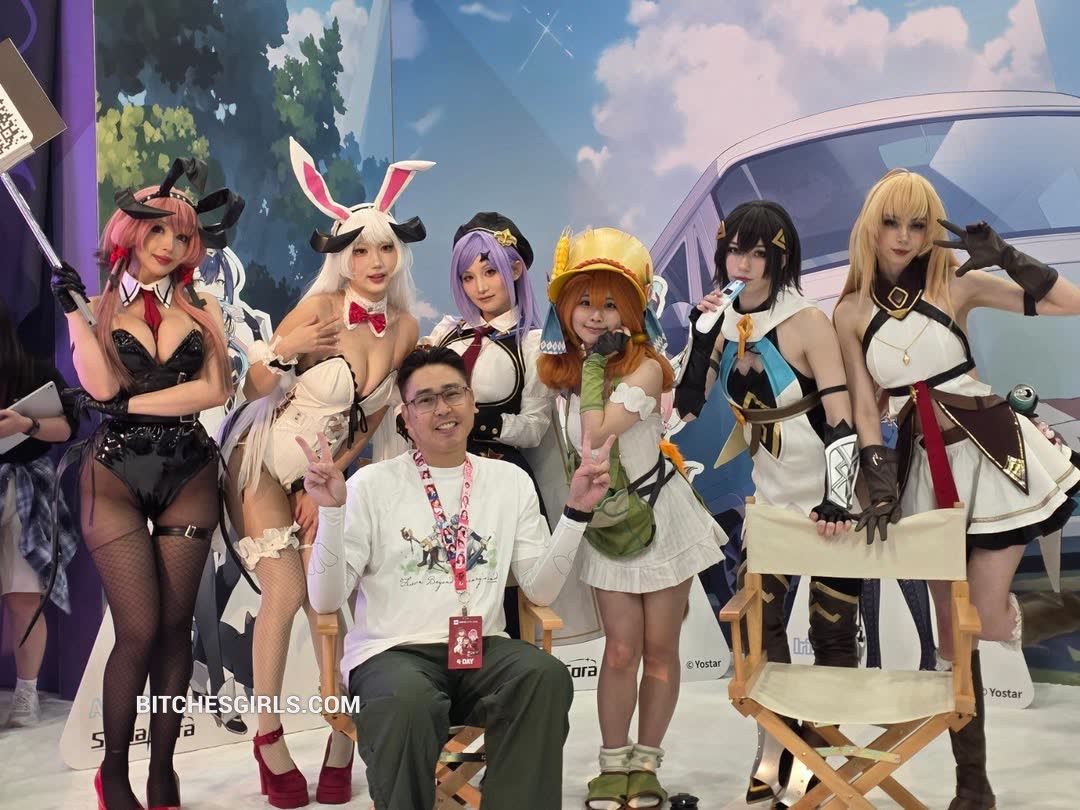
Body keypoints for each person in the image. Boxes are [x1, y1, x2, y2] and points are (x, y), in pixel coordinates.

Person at [832, 168, 1080, 810]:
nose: (904, 236)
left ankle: (1030, 616)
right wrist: (874, 471)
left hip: (990, 454)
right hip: (920, 467)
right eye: (891, 222)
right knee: (951, 637)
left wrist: (1012, 258)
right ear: (870, 226)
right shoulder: (850, 310)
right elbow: (864, 405)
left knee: (986, 620)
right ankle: (974, 784)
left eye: (918, 225)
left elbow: (1069, 304)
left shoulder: (956, 283)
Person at [303, 345, 614, 810]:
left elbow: (540, 588)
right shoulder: (370, 486)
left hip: (481, 649)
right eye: (425, 400)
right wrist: (331, 513)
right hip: (392, 655)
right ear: (406, 417)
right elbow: (326, 601)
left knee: (543, 676)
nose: (442, 408)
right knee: (408, 702)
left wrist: (575, 514)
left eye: (452, 393)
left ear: (471, 401)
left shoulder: (510, 481)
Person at [217, 137, 427, 807]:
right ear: (341, 256)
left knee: (330, 603)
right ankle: (268, 737)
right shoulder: (320, 310)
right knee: (284, 594)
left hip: (321, 477)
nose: (374, 262)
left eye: (385, 249)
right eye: (360, 251)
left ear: (399, 255)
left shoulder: (405, 328)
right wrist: (286, 349)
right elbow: (251, 389)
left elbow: (373, 416)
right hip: (262, 466)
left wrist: (328, 478)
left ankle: (342, 739)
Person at [49, 156, 241, 810]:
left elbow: (214, 389)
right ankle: (115, 773)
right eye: (157, 230)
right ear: (129, 232)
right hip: (115, 476)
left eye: (182, 235)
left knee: (176, 626)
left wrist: (131, 405)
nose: (168, 244)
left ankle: (163, 771)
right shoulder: (98, 307)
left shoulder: (203, 306)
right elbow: (100, 385)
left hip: (188, 469)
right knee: (138, 628)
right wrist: (74, 314)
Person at [673, 201, 861, 806]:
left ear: (781, 258)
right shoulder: (722, 317)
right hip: (772, 496)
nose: (746, 264)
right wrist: (701, 337)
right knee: (761, 626)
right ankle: (775, 746)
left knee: (831, 630)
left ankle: (822, 755)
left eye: (760, 253)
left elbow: (841, 416)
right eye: (736, 250)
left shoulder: (807, 320)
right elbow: (688, 404)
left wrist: (838, 497)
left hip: (829, 496)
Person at [536, 227, 727, 809]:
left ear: (633, 310)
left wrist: (596, 367)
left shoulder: (645, 369)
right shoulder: (561, 372)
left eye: (610, 303)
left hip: (661, 518)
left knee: (660, 650)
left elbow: (596, 434)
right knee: (620, 651)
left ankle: (646, 764)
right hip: (607, 524)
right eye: (584, 302)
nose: (596, 315)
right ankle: (611, 763)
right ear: (566, 309)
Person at [423, 211, 554, 634]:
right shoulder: (445, 333)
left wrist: (475, 423)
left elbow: (534, 427)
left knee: (499, 593)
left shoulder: (532, 343)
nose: (479, 287)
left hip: (497, 475)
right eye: (467, 277)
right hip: (434, 473)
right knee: (429, 581)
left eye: (489, 272)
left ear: (514, 270)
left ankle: (503, 663)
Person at [0, 296, 79, 728]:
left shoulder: (31, 369)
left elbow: (66, 427)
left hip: (25, 488)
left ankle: (26, 694)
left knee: (24, 599)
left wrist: (24, 425)